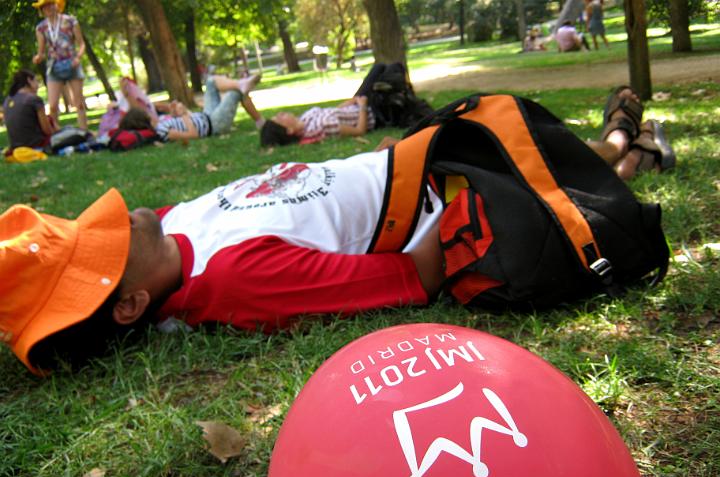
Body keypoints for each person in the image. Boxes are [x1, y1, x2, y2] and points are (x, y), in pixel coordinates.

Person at [0, 88, 674, 376]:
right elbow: (416, 277)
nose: (117, 220)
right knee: (568, 187)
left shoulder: (173, 226)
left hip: (411, 157)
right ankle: (625, 145)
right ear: (128, 304)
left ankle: (625, 148)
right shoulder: (236, 280)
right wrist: (478, 193)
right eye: (99, 245)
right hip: (440, 191)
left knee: (552, 154)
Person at [258, 63, 409, 146]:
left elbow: (334, 111)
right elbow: (359, 130)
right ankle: (408, 97)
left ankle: (401, 93)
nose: (280, 114)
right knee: (395, 68)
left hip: (356, 103)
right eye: (279, 118)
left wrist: (351, 101)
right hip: (371, 112)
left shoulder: (305, 118)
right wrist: (362, 105)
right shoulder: (322, 127)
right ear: (289, 130)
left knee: (380, 68)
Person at [151, 73, 262, 143]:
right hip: (214, 125)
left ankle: (240, 84)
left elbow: (189, 118)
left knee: (211, 81)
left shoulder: (162, 119)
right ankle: (261, 122)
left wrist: (174, 109)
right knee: (236, 93)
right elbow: (193, 135)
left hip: (206, 114)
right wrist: (183, 114)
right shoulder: (162, 130)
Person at [31, 0, 88, 130]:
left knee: (79, 103)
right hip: (54, 67)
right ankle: (55, 135)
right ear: (42, 10)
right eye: (45, 6)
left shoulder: (71, 21)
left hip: (72, 64)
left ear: (57, 5)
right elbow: (41, 51)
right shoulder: (41, 28)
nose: (49, 8)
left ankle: (84, 132)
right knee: (52, 106)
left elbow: (81, 44)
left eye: (51, 4)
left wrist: (78, 58)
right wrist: (39, 57)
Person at [2, 69, 57, 151]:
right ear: (29, 80)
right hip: (35, 144)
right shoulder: (34, 99)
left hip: (16, 146)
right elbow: (47, 130)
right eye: (36, 81)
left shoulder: (7, 100)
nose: (38, 85)